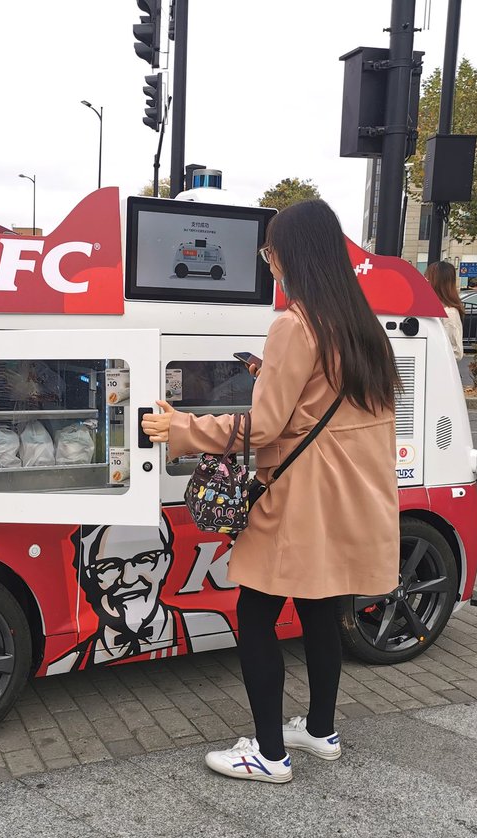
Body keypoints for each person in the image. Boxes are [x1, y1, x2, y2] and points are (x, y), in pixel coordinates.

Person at [142, 199, 400, 784]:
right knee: (320, 612)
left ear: (291, 255)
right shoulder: (362, 327)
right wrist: (271, 374)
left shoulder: (294, 323)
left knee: (256, 616)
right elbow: (331, 411)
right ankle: (320, 730)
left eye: (271, 251)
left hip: (296, 503)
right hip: (347, 501)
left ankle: (268, 754)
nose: (270, 262)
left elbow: (263, 429)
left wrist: (181, 428)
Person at [45, 517, 233, 674]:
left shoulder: (215, 623)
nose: (128, 578)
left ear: (166, 563)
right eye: (110, 566)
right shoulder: (69, 660)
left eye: (145, 560)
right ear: (88, 576)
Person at [425, 260, 464, 361]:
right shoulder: (431, 308)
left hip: (438, 371)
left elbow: (456, 352)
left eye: (428, 277)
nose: (425, 280)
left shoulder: (449, 313)